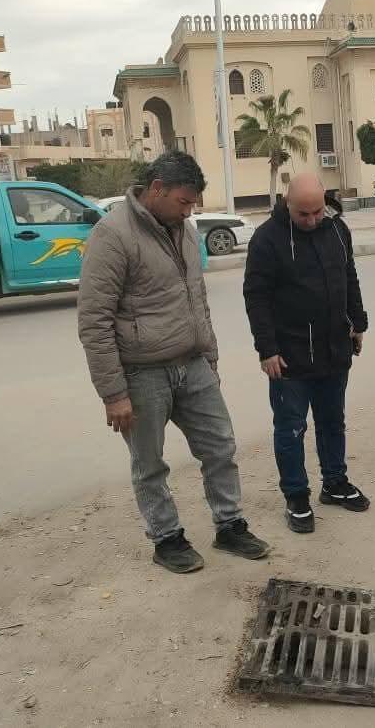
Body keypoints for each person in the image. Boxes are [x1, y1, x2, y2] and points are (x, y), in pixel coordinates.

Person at [77, 151, 269, 574]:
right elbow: (94, 321)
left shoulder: (182, 228)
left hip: (193, 363)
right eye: (184, 201)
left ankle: (230, 526)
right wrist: (113, 393)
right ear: (156, 189)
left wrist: (211, 359)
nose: (190, 210)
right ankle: (167, 539)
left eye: (194, 203)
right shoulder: (112, 235)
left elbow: (196, 299)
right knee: (150, 465)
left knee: (220, 447)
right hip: (142, 373)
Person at [243, 173, 370, 533]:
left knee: (333, 422)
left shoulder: (337, 229)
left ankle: (335, 483)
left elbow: (349, 277)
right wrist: (266, 349)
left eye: (318, 212)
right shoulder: (267, 239)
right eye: (304, 214)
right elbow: (256, 297)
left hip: (334, 349)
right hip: (290, 357)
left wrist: (357, 322)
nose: (313, 220)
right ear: (287, 204)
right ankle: (296, 496)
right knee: (291, 429)